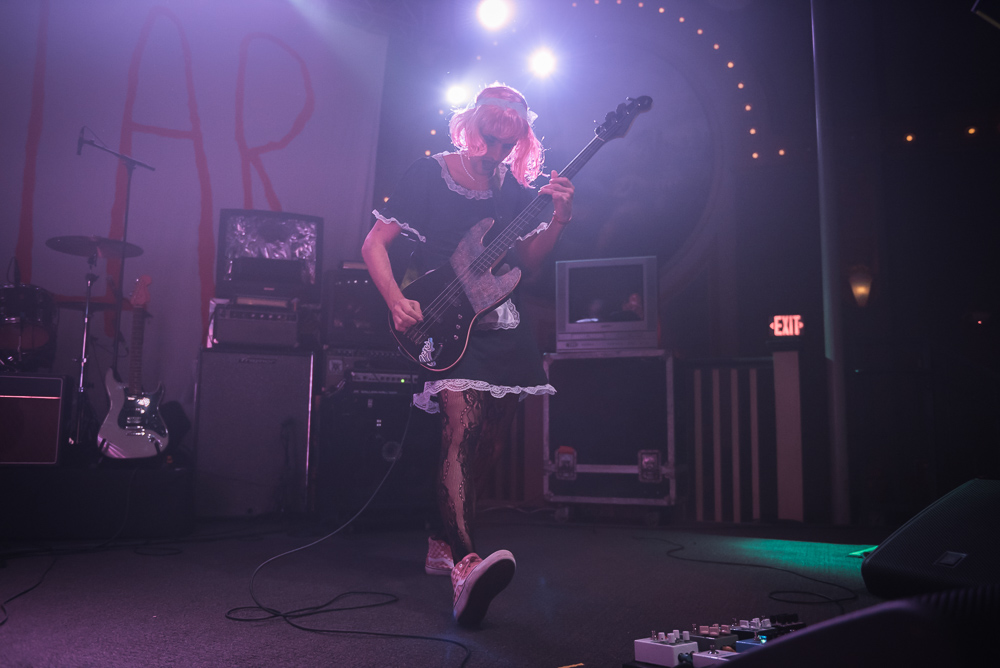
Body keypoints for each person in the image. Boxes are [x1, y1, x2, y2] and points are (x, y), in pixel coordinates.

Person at [361, 83, 574, 627]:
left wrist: (558, 221)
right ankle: (465, 562)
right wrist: (395, 299)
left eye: (512, 126)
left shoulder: (515, 189)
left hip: (501, 319)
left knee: (490, 440)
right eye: (493, 121)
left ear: (520, 136)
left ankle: (440, 535)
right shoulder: (430, 173)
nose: (502, 133)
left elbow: (527, 260)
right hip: (444, 312)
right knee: (461, 426)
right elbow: (374, 244)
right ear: (473, 124)